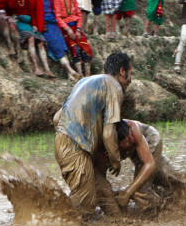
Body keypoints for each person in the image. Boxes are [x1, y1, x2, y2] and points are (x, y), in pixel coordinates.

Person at [53, 52, 133, 215]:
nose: (130, 80)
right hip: (75, 147)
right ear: (122, 72)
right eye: (131, 74)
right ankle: (50, 225)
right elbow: (109, 133)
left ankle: (116, 220)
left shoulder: (85, 82)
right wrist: (115, 160)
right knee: (86, 203)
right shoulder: (113, 86)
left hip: (65, 142)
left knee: (104, 191)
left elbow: (56, 118)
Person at [29, 0, 81, 81]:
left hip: (54, 25)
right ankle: (71, 71)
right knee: (57, 47)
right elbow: (32, 11)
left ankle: (69, 75)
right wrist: (35, 25)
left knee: (62, 46)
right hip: (45, 25)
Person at [7, 0, 53, 77]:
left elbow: (30, 11)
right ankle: (36, 67)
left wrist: (34, 24)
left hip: (28, 22)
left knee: (40, 42)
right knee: (31, 38)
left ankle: (47, 69)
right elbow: (10, 8)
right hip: (18, 21)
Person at [54, 0, 93, 77]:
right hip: (66, 29)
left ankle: (88, 74)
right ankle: (80, 74)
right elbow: (58, 17)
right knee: (75, 48)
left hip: (76, 28)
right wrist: (67, 30)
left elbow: (79, 15)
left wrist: (79, 29)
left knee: (86, 48)